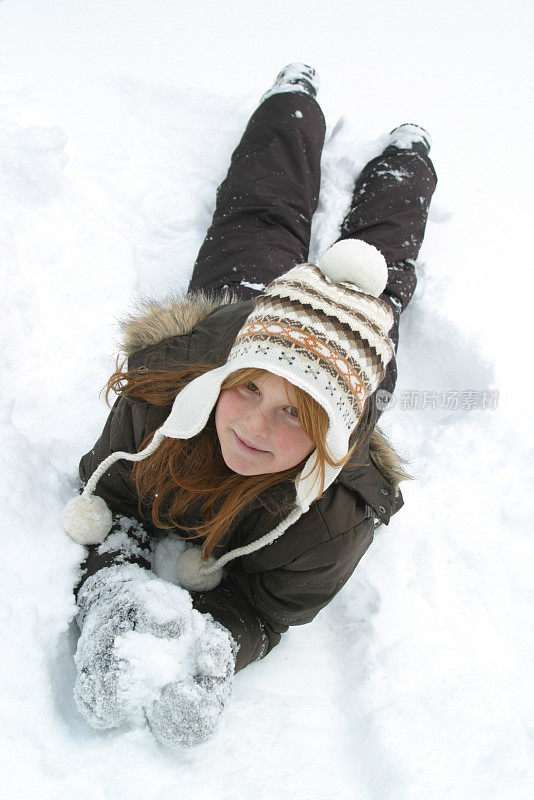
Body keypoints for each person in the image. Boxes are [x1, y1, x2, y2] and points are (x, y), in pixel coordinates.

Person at [63, 63, 437, 747]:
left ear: (330, 442)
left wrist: (217, 643)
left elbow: (265, 608)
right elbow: (111, 495)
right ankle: (293, 102)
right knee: (261, 211)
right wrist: (110, 585)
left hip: (347, 349)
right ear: (221, 380)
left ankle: (407, 162)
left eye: (296, 414)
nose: (254, 424)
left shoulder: (334, 518)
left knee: (381, 267)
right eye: (249, 390)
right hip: (248, 307)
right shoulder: (159, 408)